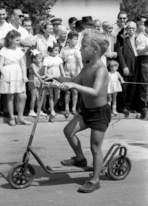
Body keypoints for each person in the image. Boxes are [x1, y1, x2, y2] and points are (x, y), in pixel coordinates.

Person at [43, 29, 111, 193]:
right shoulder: (87, 66)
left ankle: (95, 180)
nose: (80, 50)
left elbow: (94, 91)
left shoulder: (100, 69)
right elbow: (73, 80)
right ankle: (80, 159)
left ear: (95, 50)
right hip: (87, 110)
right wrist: (55, 77)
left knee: (95, 148)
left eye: (83, 47)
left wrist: (74, 86)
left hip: (100, 113)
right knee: (68, 131)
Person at [0, 30, 31, 126]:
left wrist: (24, 76)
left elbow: (23, 65)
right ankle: (12, 117)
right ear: (10, 39)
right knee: (10, 96)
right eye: (17, 40)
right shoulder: (3, 50)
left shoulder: (19, 51)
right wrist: (5, 75)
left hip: (18, 73)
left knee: (23, 96)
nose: (19, 42)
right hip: (8, 72)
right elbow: (0, 65)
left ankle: (20, 117)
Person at [116, 21, 138, 114]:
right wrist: (124, 66)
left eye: (133, 28)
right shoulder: (122, 39)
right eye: (129, 28)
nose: (131, 30)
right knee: (124, 87)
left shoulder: (138, 39)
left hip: (136, 65)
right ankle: (121, 107)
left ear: (136, 29)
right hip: (126, 66)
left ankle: (128, 106)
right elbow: (119, 54)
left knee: (132, 88)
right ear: (126, 29)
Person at [60, 31, 83, 117]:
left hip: (75, 72)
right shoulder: (64, 49)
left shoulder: (77, 50)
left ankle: (73, 108)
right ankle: (66, 108)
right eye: (74, 39)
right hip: (67, 72)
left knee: (75, 91)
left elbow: (80, 62)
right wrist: (63, 73)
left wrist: (82, 72)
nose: (76, 41)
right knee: (67, 91)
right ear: (69, 40)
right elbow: (61, 61)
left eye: (77, 39)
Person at [43, 43, 65, 122]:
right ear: (51, 50)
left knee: (57, 96)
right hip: (50, 78)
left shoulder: (58, 58)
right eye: (55, 50)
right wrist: (46, 78)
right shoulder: (46, 59)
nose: (57, 51)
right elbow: (45, 71)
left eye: (58, 50)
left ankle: (50, 107)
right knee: (51, 95)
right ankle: (52, 111)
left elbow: (62, 69)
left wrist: (64, 78)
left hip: (57, 78)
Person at [28, 49, 47, 117]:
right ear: (34, 59)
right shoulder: (32, 65)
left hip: (38, 82)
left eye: (41, 58)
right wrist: (42, 80)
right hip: (33, 82)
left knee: (39, 97)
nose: (40, 60)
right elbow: (36, 74)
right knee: (33, 98)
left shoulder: (39, 65)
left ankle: (39, 110)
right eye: (39, 58)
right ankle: (31, 110)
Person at [136, 19, 148, 119]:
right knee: (144, 85)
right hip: (145, 60)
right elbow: (140, 53)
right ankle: (143, 109)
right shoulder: (141, 36)